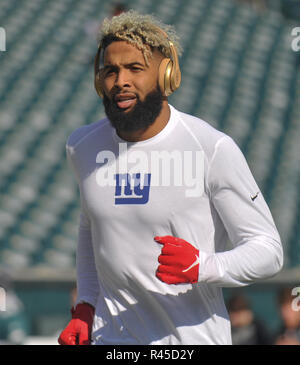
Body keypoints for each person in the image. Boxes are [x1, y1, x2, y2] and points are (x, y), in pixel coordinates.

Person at [58, 10, 283, 345]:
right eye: (110, 71)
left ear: (166, 75)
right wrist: (86, 307)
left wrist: (202, 266)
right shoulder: (82, 146)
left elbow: (268, 251)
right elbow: (91, 228)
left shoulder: (211, 148)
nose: (121, 80)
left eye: (135, 68)